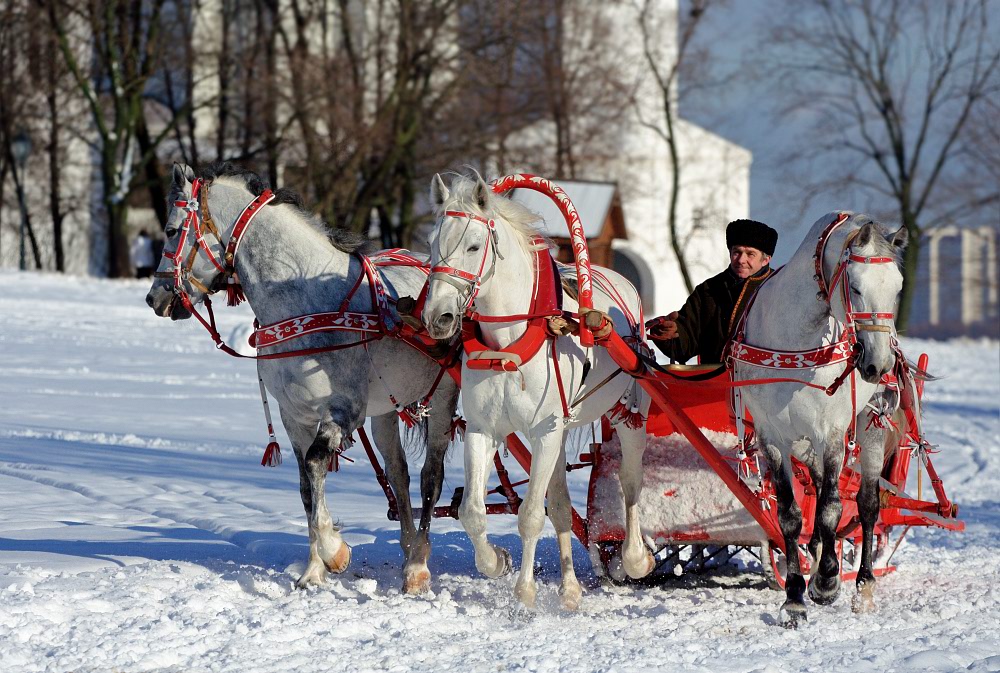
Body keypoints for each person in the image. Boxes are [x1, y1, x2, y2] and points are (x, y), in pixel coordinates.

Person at [646, 219, 778, 364]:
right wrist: (670, 332)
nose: (741, 259)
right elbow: (687, 338)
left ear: (766, 260)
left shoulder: (779, 288)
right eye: (737, 252)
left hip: (769, 382)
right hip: (714, 382)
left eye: (750, 254)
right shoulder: (709, 290)